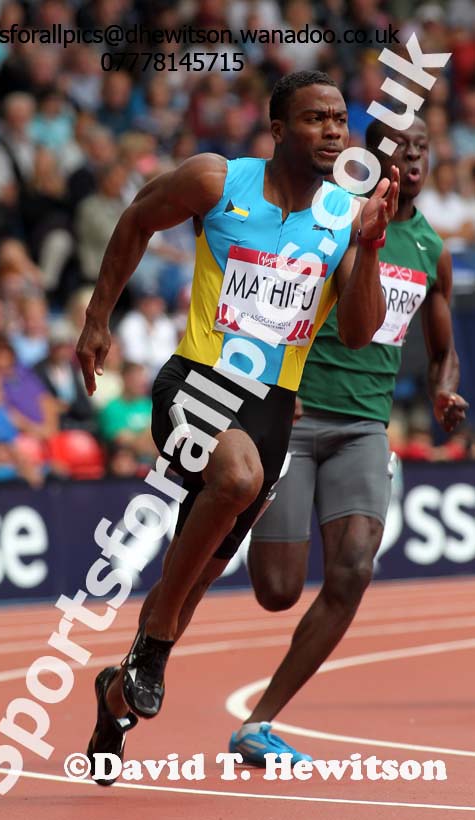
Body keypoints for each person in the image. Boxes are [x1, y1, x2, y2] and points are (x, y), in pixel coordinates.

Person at [76, 70, 398, 785]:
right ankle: (152, 648)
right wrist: (98, 319)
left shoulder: (341, 215)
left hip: (271, 408)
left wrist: (370, 246)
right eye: (315, 119)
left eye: (339, 120)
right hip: (195, 382)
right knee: (237, 476)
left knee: (190, 587)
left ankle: (117, 692)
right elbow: (134, 218)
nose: (334, 132)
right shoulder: (217, 181)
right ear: (278, 132)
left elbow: (356, 332)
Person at [227, 116, 468, 765]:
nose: (414, 157)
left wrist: (443, 389)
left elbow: (441, 351)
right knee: (276, 590)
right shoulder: (331, 219)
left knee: (353, 569)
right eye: (401, 147)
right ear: (374, 155)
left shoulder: (430, 249)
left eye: (424, 146)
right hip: (296, 418)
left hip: (363, 426)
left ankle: (258, 722)